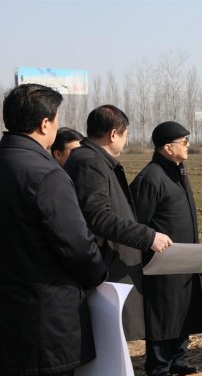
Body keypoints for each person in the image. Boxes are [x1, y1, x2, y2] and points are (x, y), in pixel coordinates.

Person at [0, 84, 107, 376]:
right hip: (43, 325)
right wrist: (97, 274)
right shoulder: (46, 175)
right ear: (44, 124)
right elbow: (77, 246)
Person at [64, 105, 172, 341]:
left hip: (109, 261)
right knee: (108, 340)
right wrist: (148, 236)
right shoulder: (90, 162)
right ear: (113, 134)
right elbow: (97, 216)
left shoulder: (91, 159)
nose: (125, 141)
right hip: (106, 265)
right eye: (125, 135)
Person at [130, 122, 202, 376]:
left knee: (183, 307)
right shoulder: (150, 177)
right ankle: (158, 365)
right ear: (167, 147)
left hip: (185, 257)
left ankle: (179, 359)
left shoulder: (178, 171)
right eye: (183, 142)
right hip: (162, 261)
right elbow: (138, 222)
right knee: (163, 312)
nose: (188, 146)